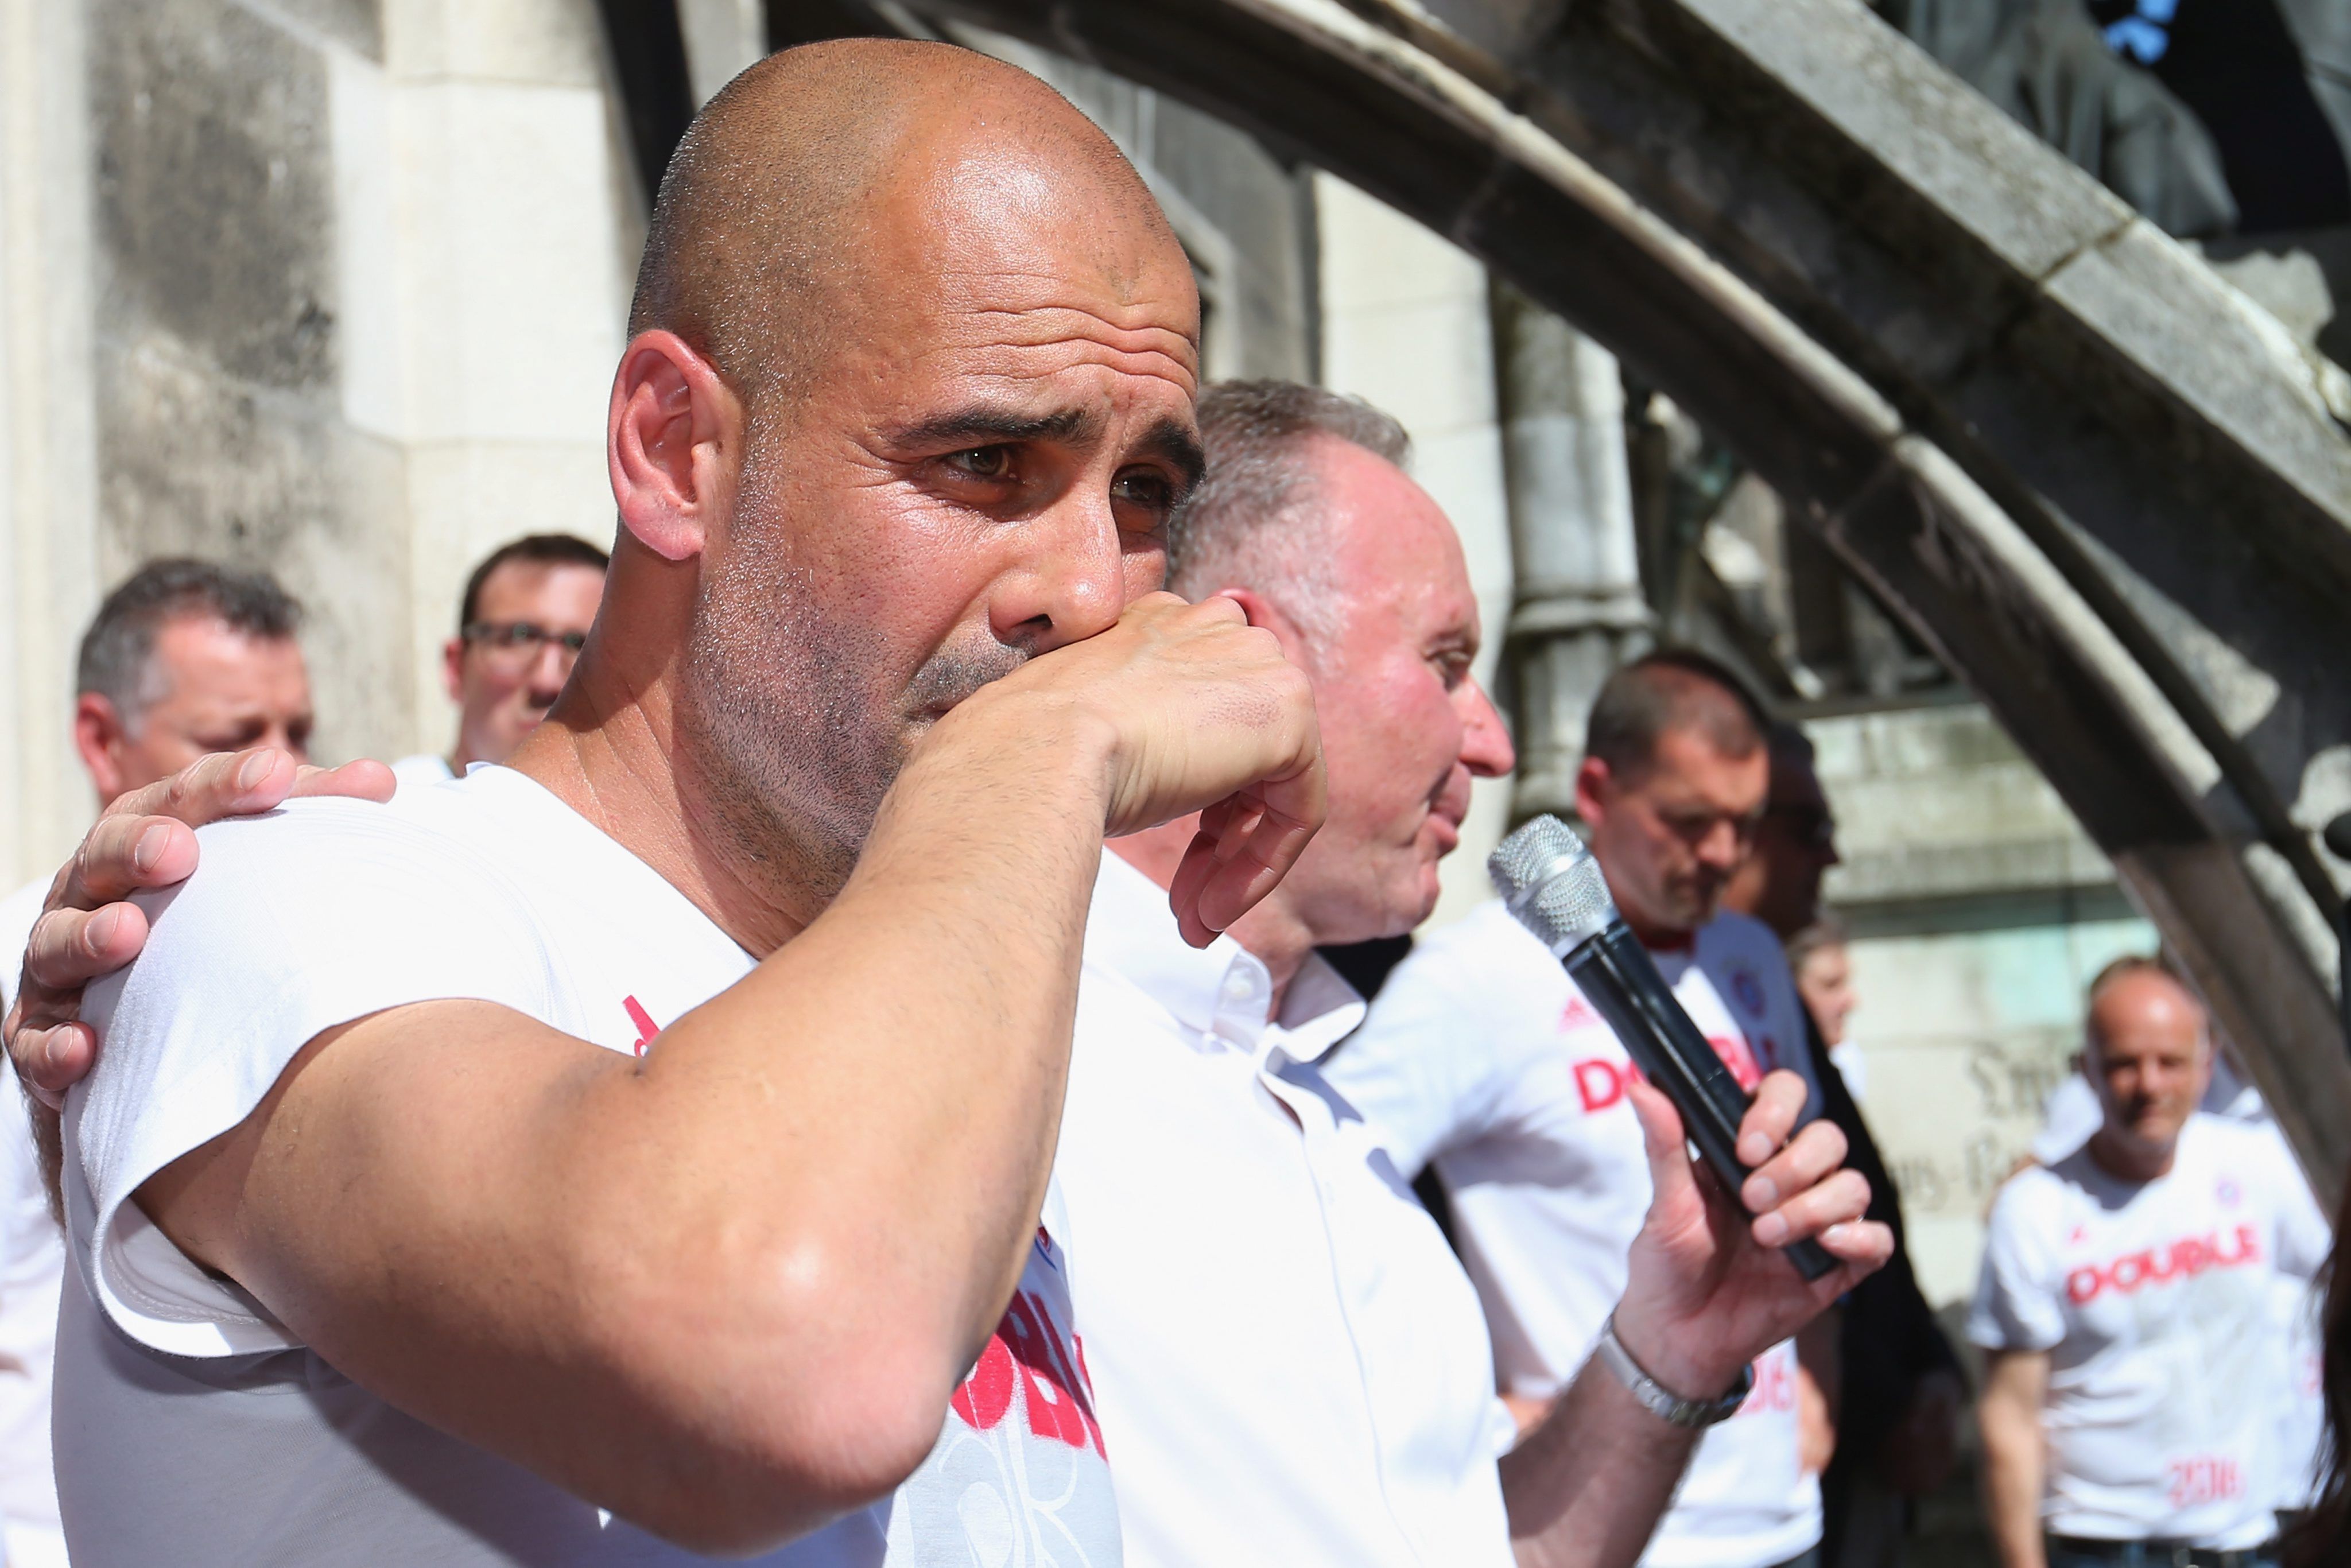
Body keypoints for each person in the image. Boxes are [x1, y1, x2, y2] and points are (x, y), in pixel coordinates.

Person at [24, 41, 1328, 1566]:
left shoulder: (989, 979)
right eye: (984, 459)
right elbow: (789, 1366)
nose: (1089, 592)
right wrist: (1036, 757)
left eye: (1144, 495)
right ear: (674, 451)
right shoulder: (290, 900)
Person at [1061, 383, 1888, 1568]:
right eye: (1445, 661)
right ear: (1249, 657)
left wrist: (1668, 1352)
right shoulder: (1011, 1069)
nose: (1492, 742)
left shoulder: (1324, 1113)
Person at [1328, 651, 1846, 1568]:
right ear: (1597, 791)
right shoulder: (1476, 978)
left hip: (1781, 1521)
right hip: (1611, 1527)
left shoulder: (1752, 955)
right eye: (1690, 822)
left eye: (1743, 823)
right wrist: (1468, 1412)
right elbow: (1320, 1200)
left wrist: (1819, 1378)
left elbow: (1797, 1189)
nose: (1723, 854)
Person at [0, 558, 327, 1568]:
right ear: (102, 738)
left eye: (300, 733)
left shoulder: (329, 946)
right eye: (231, 740)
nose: (276, 776)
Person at [1973, 957, 2330, 1568]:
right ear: (2084, 1070)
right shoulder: (2034, 1211)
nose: (2149, 1084)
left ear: (2206, 1063)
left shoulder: (2255, 1165)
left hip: (2249, 1541)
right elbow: (2009, 1416)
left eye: (2170, 1061)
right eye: (2123, 1063)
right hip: (2107, 1544)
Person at [1720, 726, 1964, 1568]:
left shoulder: (1767, 991)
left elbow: (1861, 1207)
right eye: (1806, 829)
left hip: (1842, 1457)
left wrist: (1929, 1375)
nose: (1831, 858)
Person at [393, 534, 610, 787]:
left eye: (583, 646)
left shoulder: (654, 823)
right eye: (519, 638)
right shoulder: (386, 811)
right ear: (456, 669)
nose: (547, 680)